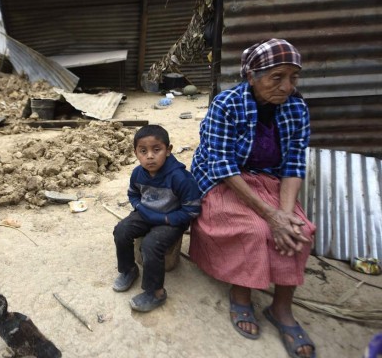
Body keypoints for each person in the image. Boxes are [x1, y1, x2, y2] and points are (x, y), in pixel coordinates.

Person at [189, 39, 316, 357]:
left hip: (269, 179)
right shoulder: (226, 104)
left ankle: (281, 308)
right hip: (226, 180)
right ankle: (241, 294)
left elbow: (294, 165)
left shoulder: (297, 108)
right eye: (277, 77)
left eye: (293, 78)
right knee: (254, 229)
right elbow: (221, 165)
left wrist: (284, 215)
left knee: (299, 229)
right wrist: (269, 216)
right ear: (252, 76)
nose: (287, 86)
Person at [113, 124, 201, 312]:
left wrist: (168, 219)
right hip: (146, 213)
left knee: (151, 245)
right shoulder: (138, 173)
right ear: (136, 152)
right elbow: (134, 194)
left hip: (172, 219)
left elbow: (192, 210)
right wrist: (140, 208)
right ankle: (129, 270)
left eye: (157, 150)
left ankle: (156, 293)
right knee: (121, 230)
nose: (150, 156)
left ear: (168, 150)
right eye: (143, 151)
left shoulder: (179, 177)